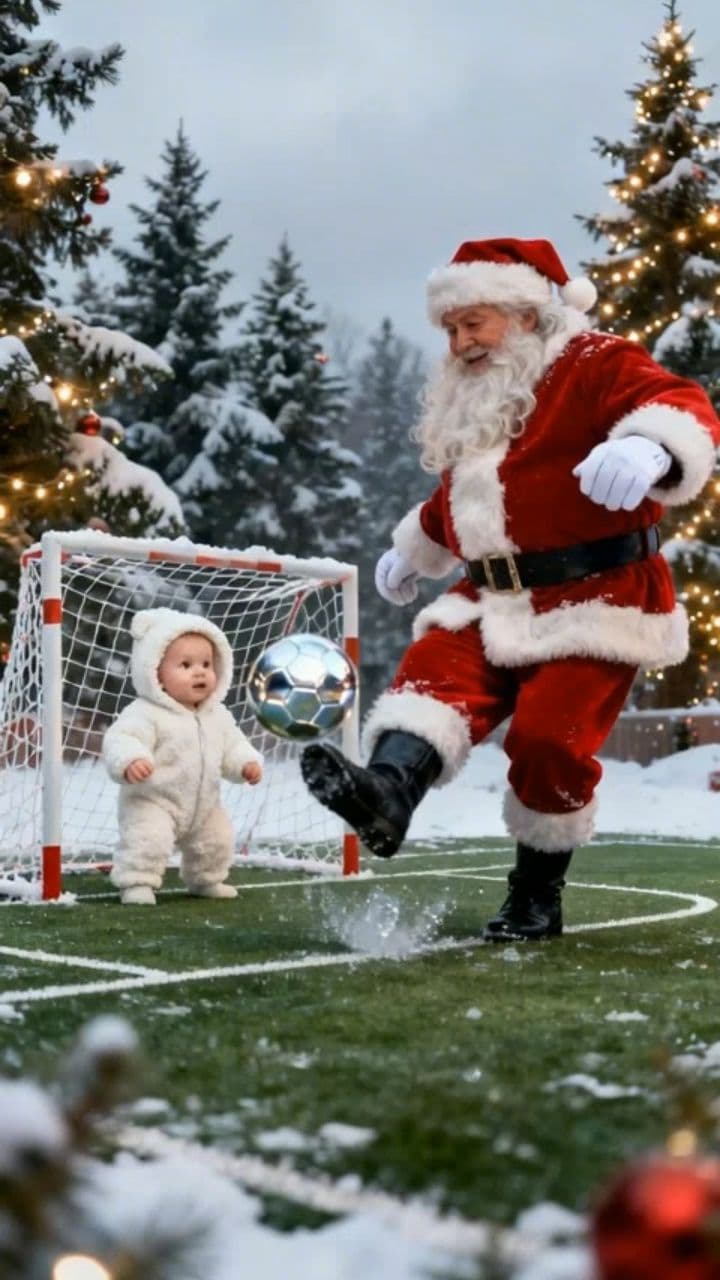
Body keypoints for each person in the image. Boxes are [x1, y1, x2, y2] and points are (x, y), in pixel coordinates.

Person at [301, 236, 720, 942]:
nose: (461, 342)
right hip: (491, 596)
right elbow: (463, 495)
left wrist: (651, 445)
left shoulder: (595, 361)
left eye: (475, 323)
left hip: (597, 596)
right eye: (453, 328)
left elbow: (681, 403)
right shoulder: (477, 396)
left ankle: (535, 893)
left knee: (549, 740)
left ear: (525, 314)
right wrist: (414, 549)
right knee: (429, 678)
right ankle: (387, 795)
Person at [103, 607, 263, 905]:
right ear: (156, 674)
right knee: (148, 840)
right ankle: (137, 882)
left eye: (206, 663)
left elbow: (234, 746)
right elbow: (122, 738)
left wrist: (246, 764)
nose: (200, 671)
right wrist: (130, 760)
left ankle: (206, 880)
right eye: (186, 665)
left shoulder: (219, 716)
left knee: (217, 840)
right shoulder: (146, 713)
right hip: (153, 800)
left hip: (204, 804)